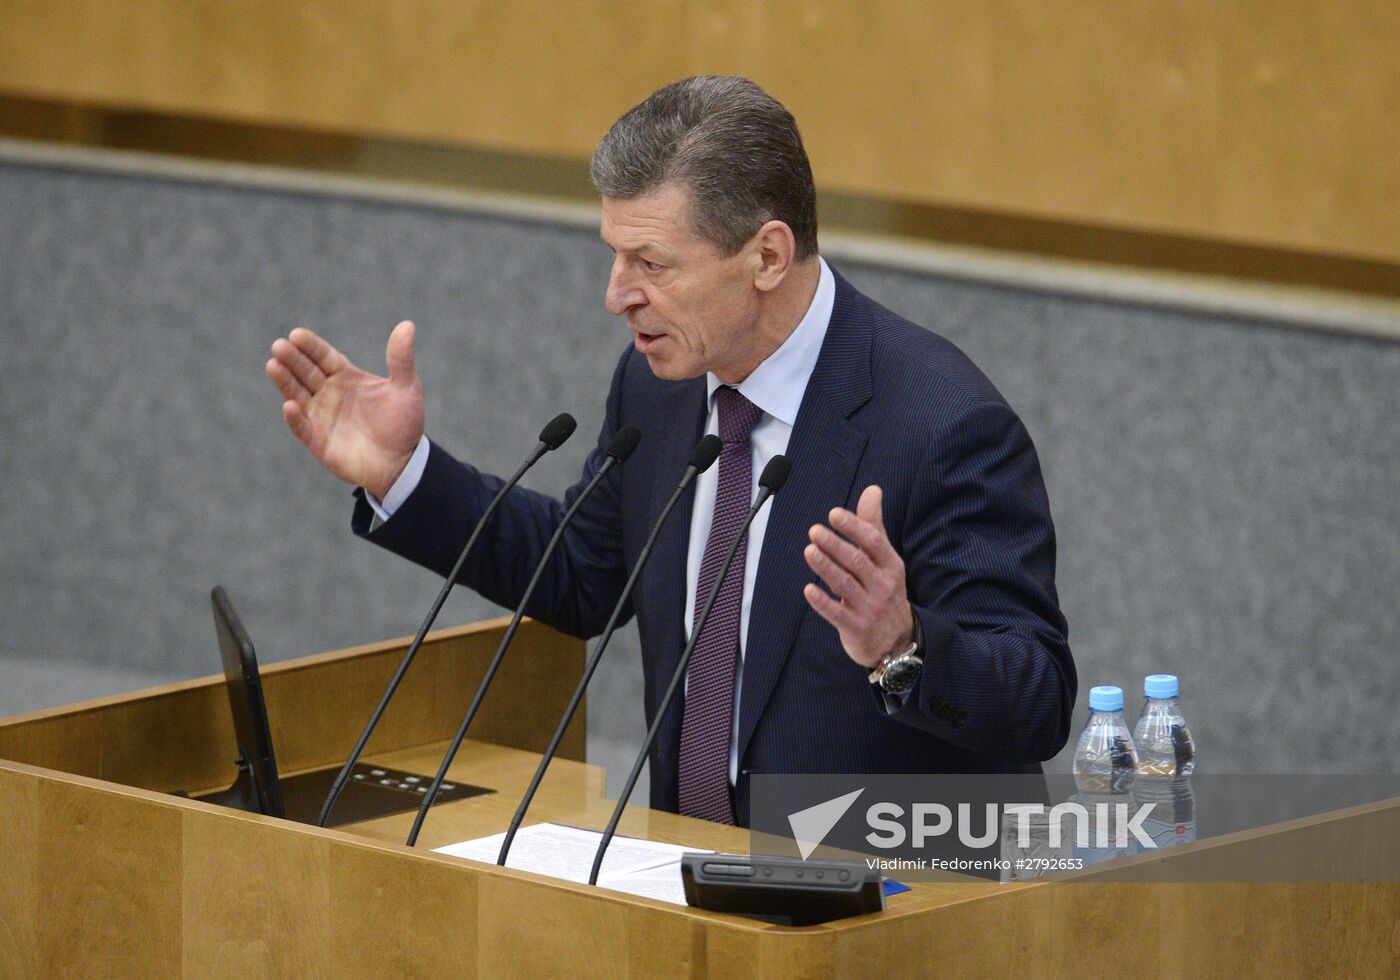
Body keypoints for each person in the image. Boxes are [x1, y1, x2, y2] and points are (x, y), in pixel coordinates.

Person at [266, 76, 1075, 826]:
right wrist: (404, 474)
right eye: (616, 255)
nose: (616, 294)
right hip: (687, 895)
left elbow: (1036, 700)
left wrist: (904, 644)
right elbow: (586, 576)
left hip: (874, 903)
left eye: (651, 264)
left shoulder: (942, 424)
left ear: (767, 255)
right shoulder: (660, 384)